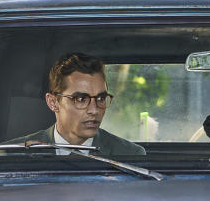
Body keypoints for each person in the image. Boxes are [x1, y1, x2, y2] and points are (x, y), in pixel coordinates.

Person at [12, 53, 145, 156]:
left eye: (101, 98)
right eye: (81, 99)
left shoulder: (129, 155)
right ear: (53, 102)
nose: (94, 110)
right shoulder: (13, 153)